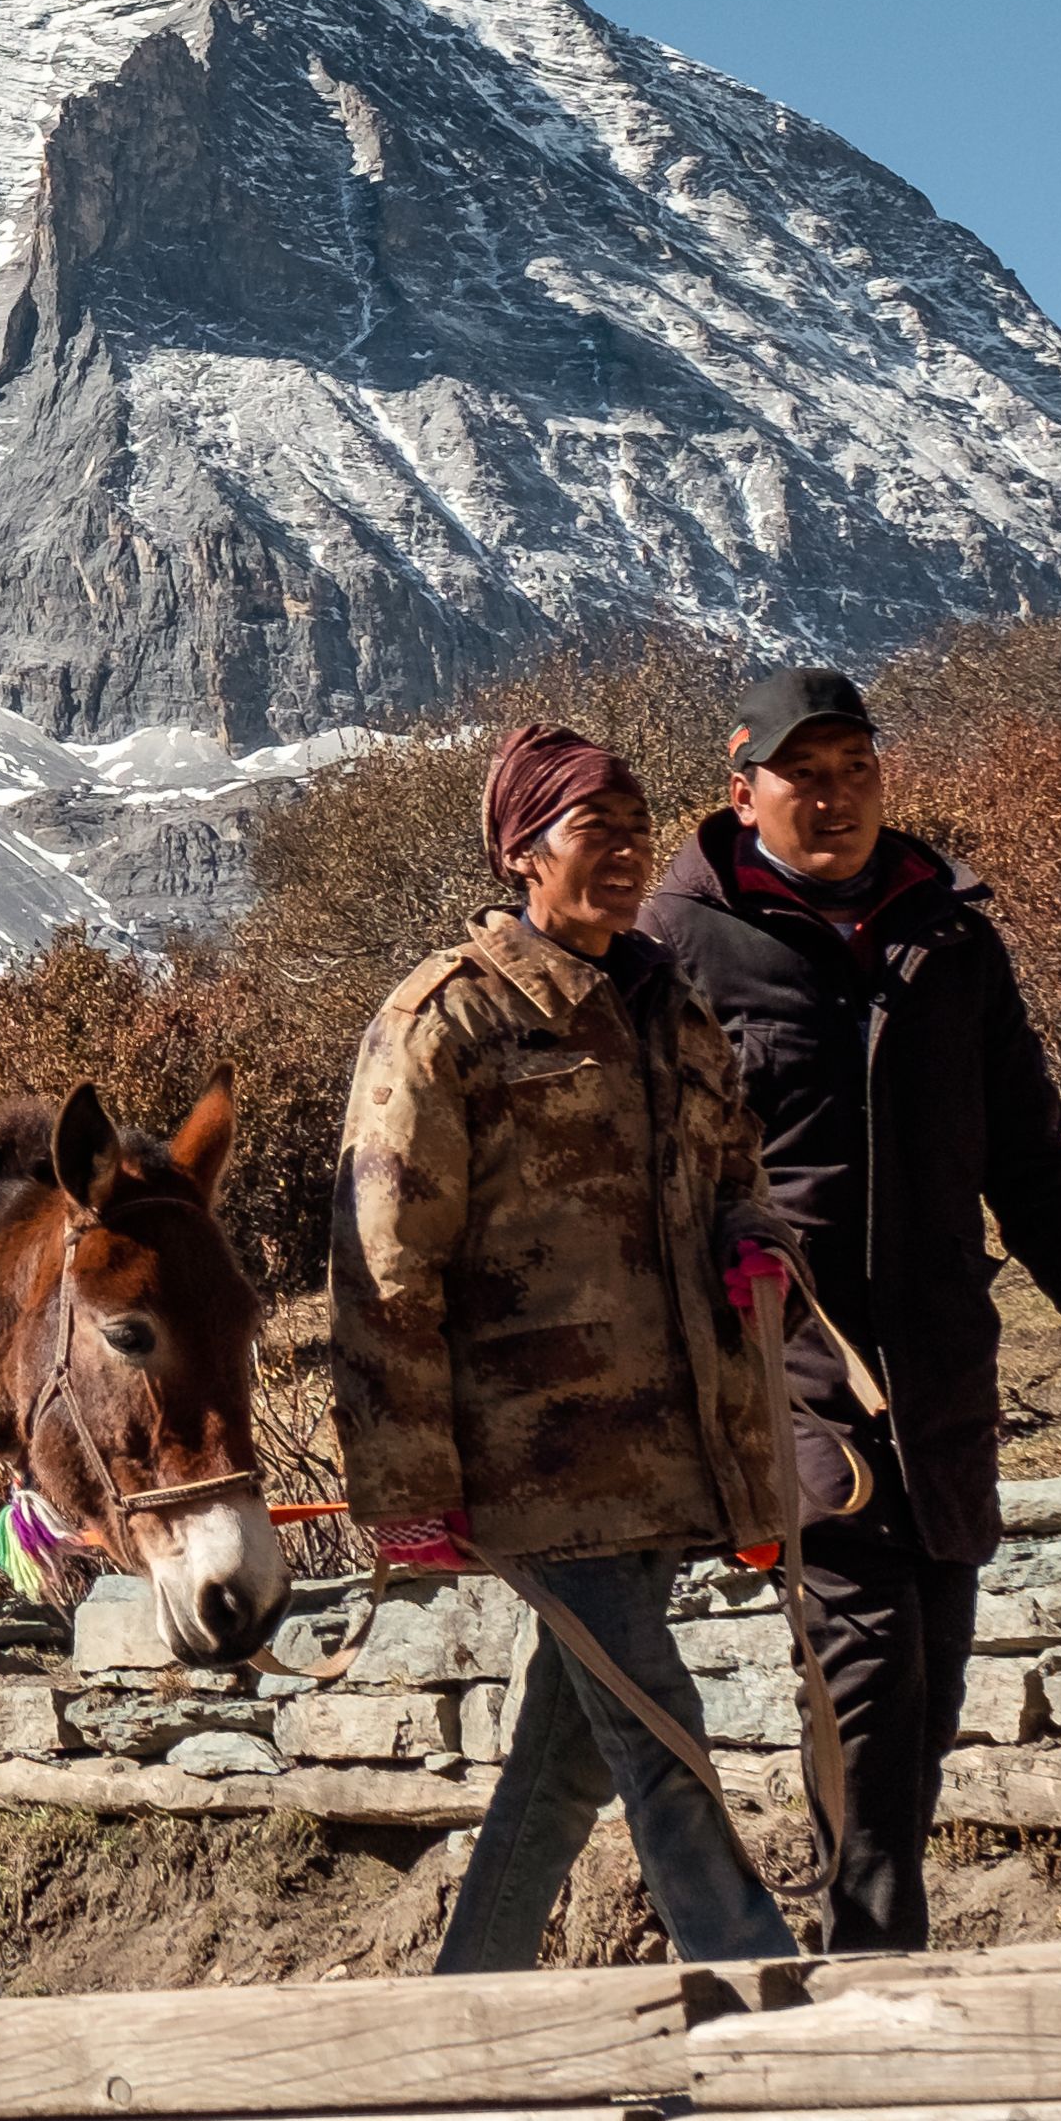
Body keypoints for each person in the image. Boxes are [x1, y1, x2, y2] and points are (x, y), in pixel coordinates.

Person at [644, 663, 1061, 1955]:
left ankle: (860, 1947)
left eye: (855, 771)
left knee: (926, 1691)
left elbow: (1028, 1157)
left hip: (943, 1368)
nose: (834, 798)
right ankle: (876, 1974)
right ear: (743, 792)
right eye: (802, 776)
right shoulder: (679, 945)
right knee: (866, 1675)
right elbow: (635, 1168)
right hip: (790, 1364)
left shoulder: (952, 936)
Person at [336, 721, 810, 1974]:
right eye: (595, 828)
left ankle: (468, 1999)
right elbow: (386, 1262)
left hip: (670, 1449)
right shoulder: (447, 1019)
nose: (628, 851)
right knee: (660, 1728)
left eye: (638, 828)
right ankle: (755, 1981)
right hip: (535, 1467)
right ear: (522, 851)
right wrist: (408, 1485)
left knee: (568, 1759)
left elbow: (736, 1174)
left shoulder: (669, 1007)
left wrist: (752, 1241)